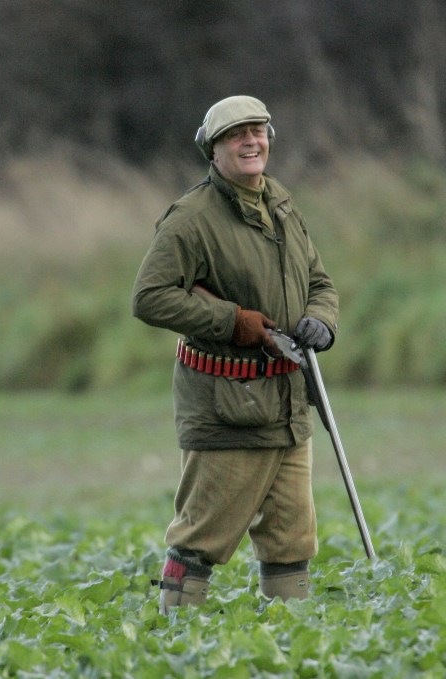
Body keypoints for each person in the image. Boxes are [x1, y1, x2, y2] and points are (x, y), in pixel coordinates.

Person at [132, 95, 339, 612]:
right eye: (235, 134)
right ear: (214, 149)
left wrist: (322, 321)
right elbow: (150, 298)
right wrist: (232, 322)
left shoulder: (281, 203)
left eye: (258, 130)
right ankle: (173, 644)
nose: (250, 141)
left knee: (292, 540)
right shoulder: (190, 219)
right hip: (228, 406)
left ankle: (291, 646)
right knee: (200, 538)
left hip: (289, 404)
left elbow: (319, 281)